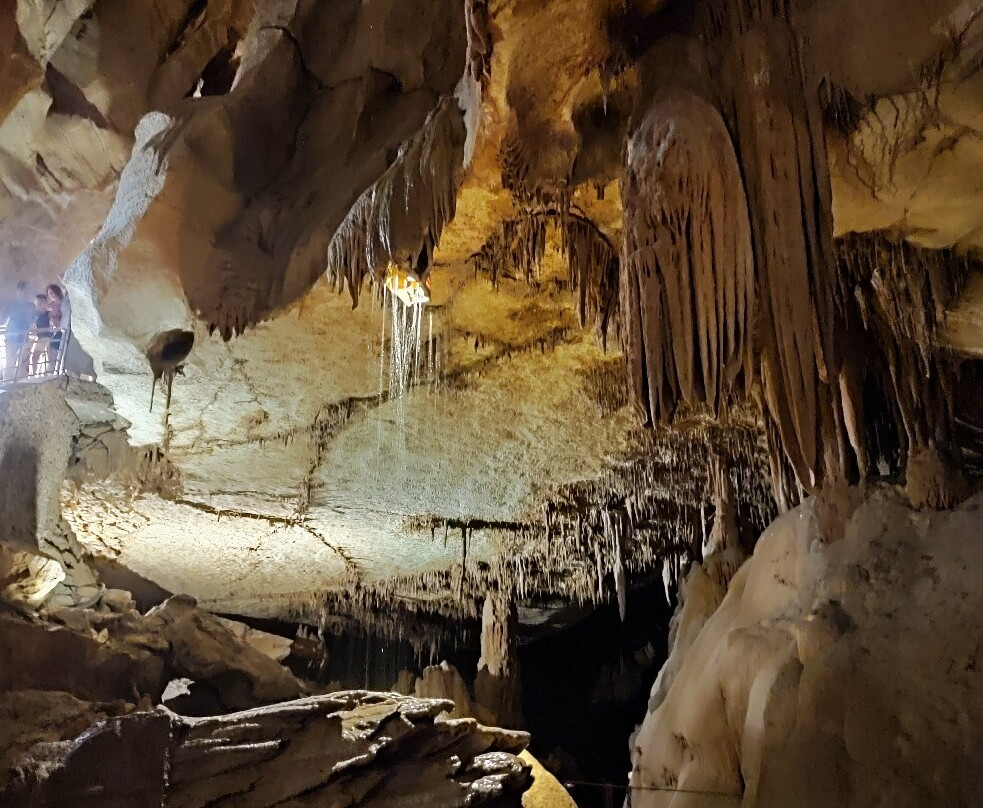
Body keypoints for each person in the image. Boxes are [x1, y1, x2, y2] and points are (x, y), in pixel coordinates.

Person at [1, 282, 34, 381]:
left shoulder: (30, 305)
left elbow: (32, 321)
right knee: (10, 362)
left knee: (22, 362)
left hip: (24, 337)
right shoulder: (11, 304)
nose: (24, 293)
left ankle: (21, 383)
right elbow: (3, 319)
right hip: (11, 336)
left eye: (26, 291)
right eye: (22, 291)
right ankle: (8, 383)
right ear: (18, 291)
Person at [29, 293, 51, 376]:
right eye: (38, 303)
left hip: (45, 337)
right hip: (38, 337)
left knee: (35, 356)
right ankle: (34, 375)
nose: (39, 305)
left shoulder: (49, 314)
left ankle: (33, 376)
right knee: (36, 357)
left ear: (45, 303)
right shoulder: (35, 314)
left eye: (41, 302)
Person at [46, 284, 65, 370]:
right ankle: (51, 370)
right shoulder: (50, 305)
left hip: (64, 330)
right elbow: (48, 317)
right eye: (49, 293)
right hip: (55, 331)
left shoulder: (64, 303)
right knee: (51, 349)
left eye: (52, 292)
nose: (51, 295)